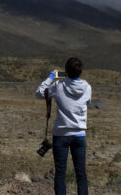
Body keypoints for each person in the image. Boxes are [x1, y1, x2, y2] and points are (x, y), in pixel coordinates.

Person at [35, 57, 91, 195]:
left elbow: (39, 93)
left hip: (61, 135)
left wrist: (51, 77)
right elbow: (87, 102)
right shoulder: (87, 87)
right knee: (81, 173)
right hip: (79, 135)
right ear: (80, 72)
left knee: (60, 173)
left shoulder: (58, 86)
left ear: (65, 71)